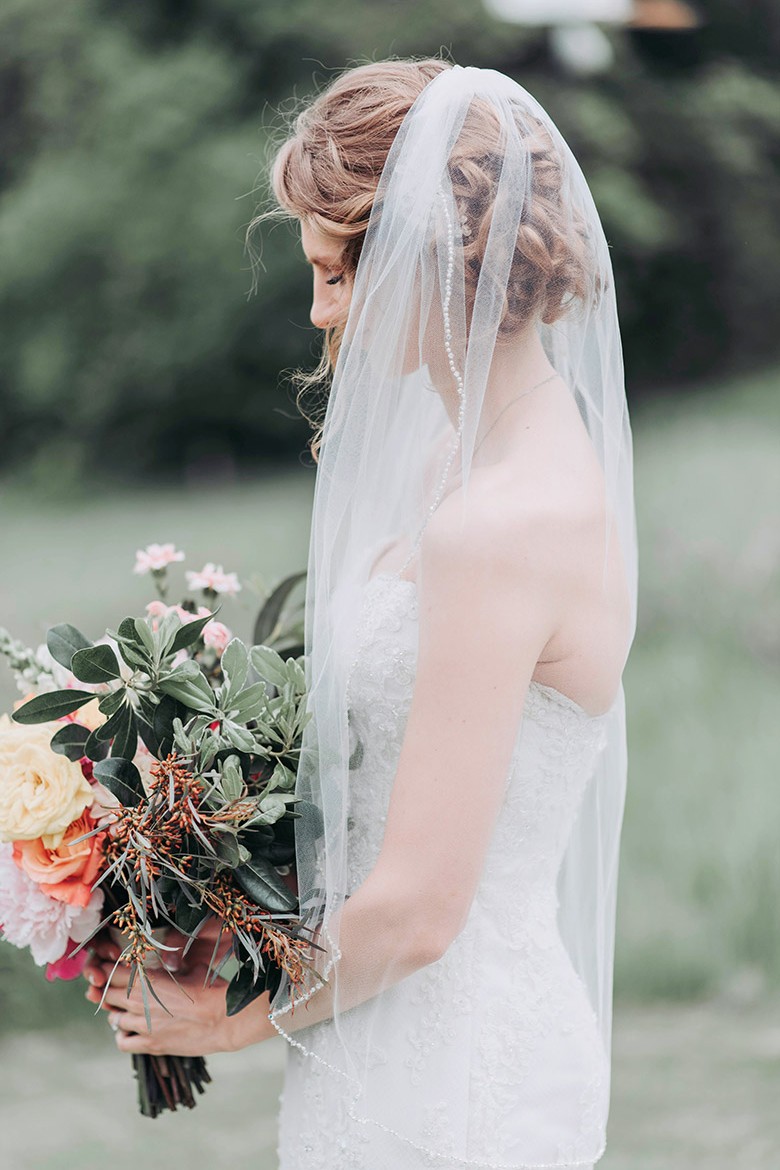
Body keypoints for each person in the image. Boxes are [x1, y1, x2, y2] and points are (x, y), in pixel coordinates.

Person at [85, 59, 637, 1169]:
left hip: (455, 1075)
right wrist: (206, 882)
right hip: (375, 1035)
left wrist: (228, 1022)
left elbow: (424, 908)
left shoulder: (501, 523)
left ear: (431, 260)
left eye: (337, 275)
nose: (318, 310)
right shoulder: (459, 462)